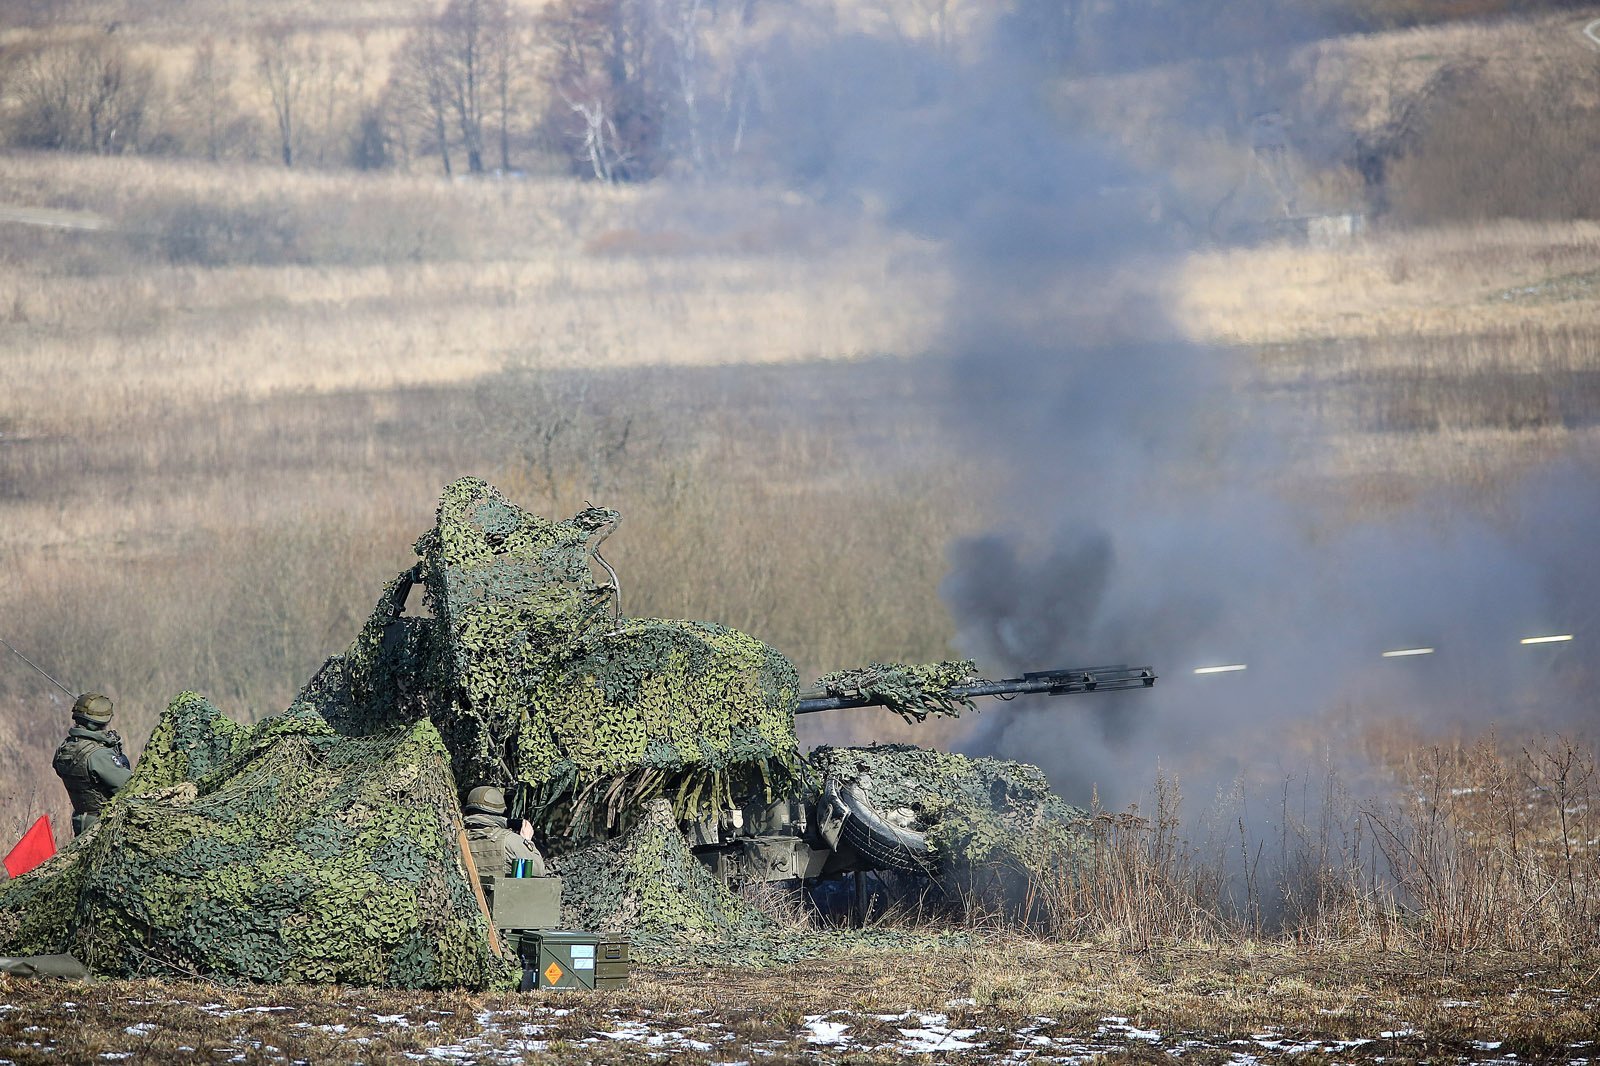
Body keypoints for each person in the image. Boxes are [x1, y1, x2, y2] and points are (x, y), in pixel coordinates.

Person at [51, 693, 133, 836]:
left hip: (80, 822)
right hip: (102, 825)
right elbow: (129, 786)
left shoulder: (65, 748)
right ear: (103, 721)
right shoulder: (98, 755)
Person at [462, 785, 546, 877]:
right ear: (501, 811)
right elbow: (539, 871)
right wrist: (527, 841)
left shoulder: (456, 838)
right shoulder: (511, 841)